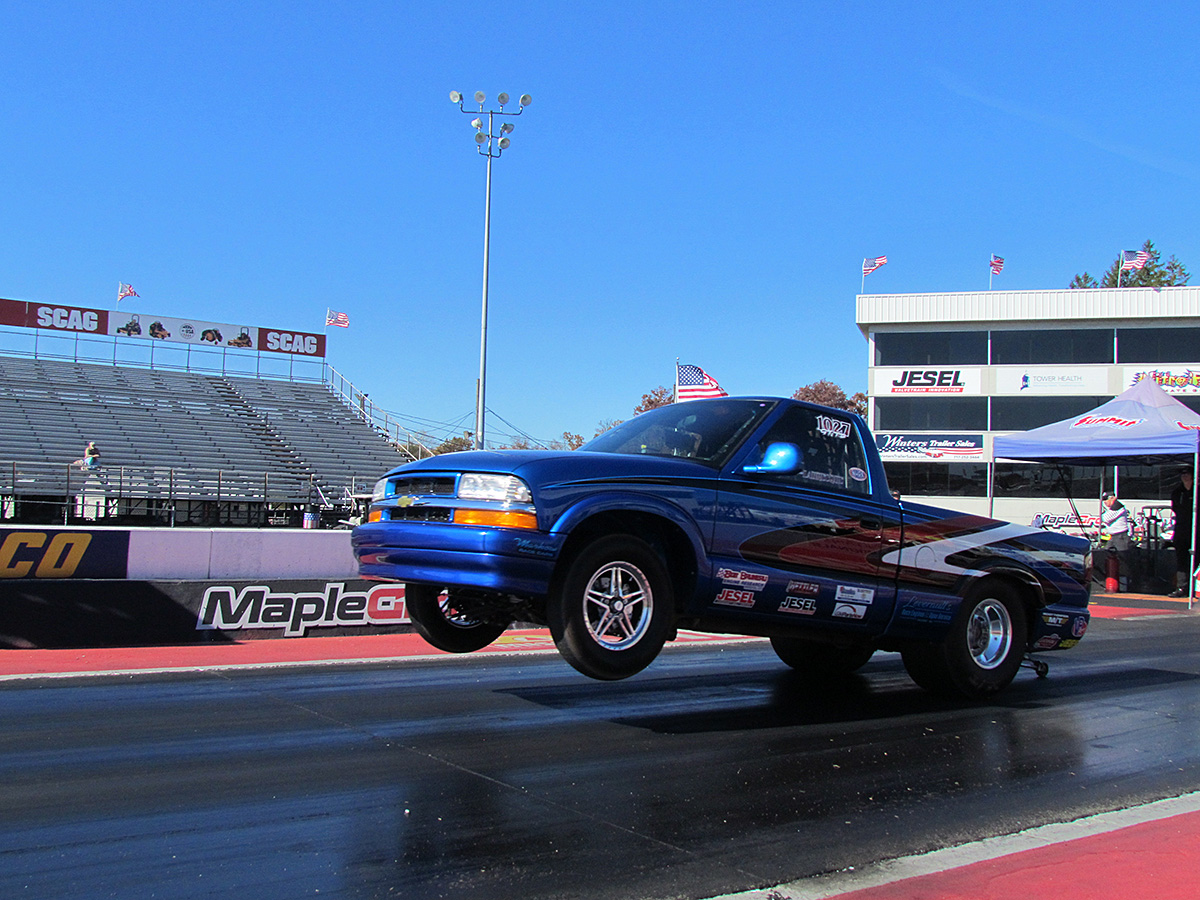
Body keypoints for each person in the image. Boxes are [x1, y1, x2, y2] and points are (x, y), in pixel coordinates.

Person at [1170, 471, 1195, 598]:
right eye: (1182, 474)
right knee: (1181, 560)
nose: (1185, 476)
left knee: (1196, 560)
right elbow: (1175, 508)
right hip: (1181, 530)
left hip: (1196, 529)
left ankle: (1196, 588)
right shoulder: (1177, 492)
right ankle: (1182, 587)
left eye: (1187, 473)